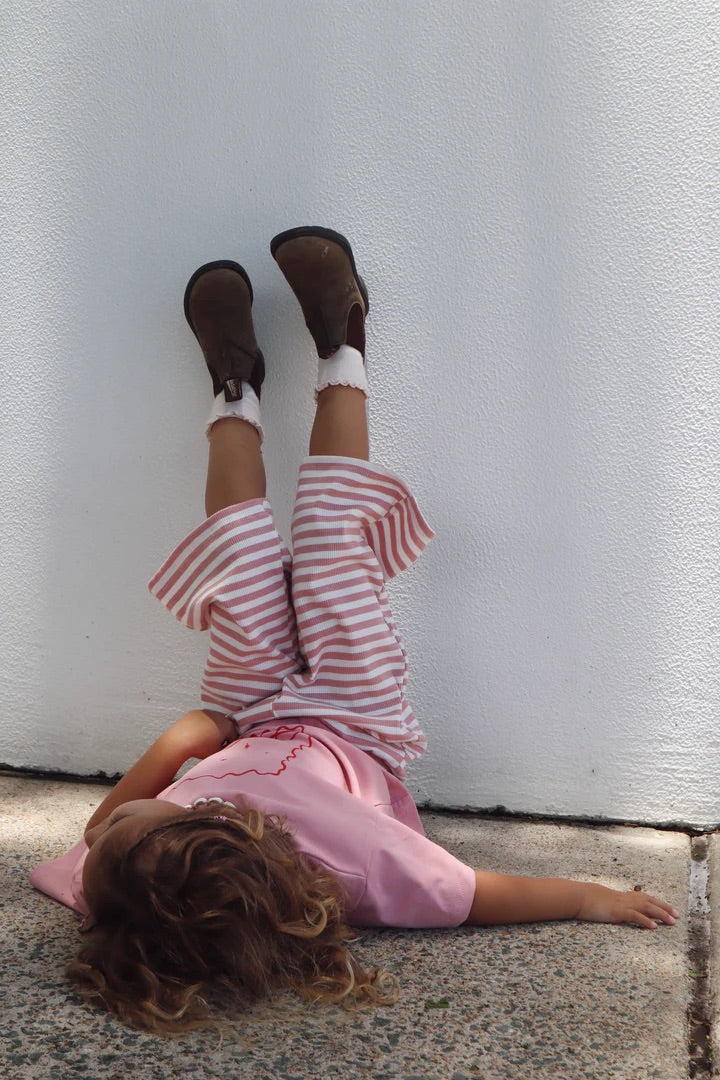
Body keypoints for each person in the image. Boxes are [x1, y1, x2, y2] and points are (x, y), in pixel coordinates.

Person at [30, 227, 677, 1034]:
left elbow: (97, 830)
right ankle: (343, 345)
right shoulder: (351, 870)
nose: (115, 821)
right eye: (144, 812)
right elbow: (472, 894)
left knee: (237, 545)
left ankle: (235, 384)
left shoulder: (123, 880)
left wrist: (181, 742)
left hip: (245, 710)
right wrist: (591, 898)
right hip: (352, 719)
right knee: (334, 539)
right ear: (199, 828)